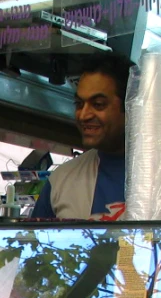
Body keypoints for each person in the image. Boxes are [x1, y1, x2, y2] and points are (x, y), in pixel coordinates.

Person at [32, 52, 134, 220]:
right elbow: (34, 243)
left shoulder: (153, 172)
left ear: (130, 105)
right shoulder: (62, 180)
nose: (83, 115)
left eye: (98, 104)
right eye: (79, 104)